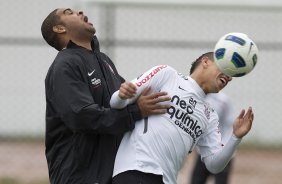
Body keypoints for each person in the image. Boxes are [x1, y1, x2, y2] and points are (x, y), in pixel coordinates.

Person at [41, 8, 170, 184]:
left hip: (111, 172)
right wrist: (136, 111)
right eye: (69, 12)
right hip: (80, 175)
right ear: (59, 28)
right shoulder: (65, 64)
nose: (79, 11)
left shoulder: (104, 61)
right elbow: (82, 116)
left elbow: (124, 102)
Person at [110, 52, 254, 184]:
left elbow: (213, 165)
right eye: (225, 68)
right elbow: (115, 102)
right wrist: (122, 96)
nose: (229, 78)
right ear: (205, 62)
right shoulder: (167, 74)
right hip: (136, 169)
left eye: (231, 76)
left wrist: (235, 137)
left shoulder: (210, 115)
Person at [191, 92, 236, 184]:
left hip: (221, 152)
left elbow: (229, 126)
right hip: (202, 152)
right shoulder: (196, 96)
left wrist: (223, 149)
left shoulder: (223, 101)